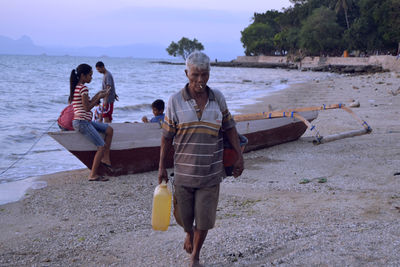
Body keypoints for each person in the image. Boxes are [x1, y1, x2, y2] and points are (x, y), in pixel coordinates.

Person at [158, 51, 244, 266]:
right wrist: (160, 167)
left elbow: (230, 128)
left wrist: (239, 157)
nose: (200, 80)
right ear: (186, 73)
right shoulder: (175, 101)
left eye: (204, 75)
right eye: (195, 75)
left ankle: (195, 256)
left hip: (211, 172)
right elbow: (167, 137)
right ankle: (188, 233)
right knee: (185, 218)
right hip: (184, 173)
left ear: (209, 74)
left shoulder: (218, 98)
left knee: (204, 219)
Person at [70, 63, 114, 182]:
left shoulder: (77, 87)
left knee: (109, 130)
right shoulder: (83, 88)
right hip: (82, 122)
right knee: (101, 146)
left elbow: (88, 102)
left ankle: (106, 158)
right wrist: (99, 97)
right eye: (90, 75)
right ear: (83, 76)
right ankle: (93, 175)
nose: (91, 78)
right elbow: (87, 108)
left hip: (84, 121)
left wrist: (99, 94)